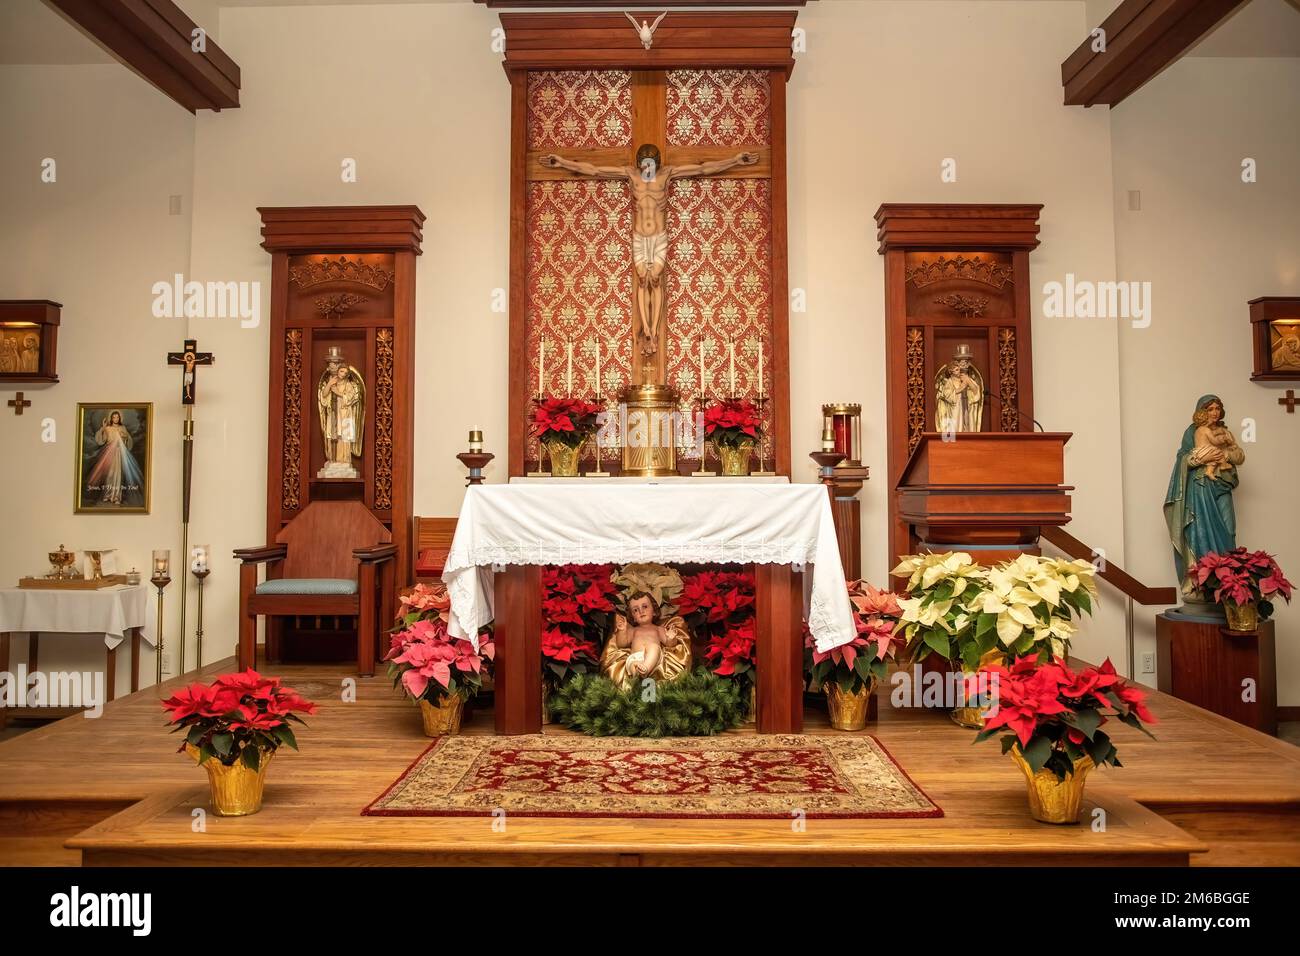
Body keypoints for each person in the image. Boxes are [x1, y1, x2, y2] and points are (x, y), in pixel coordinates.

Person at [1164, 394, 1245, 596]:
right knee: (1200, 529)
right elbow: (1183, 458)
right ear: (1202, 412)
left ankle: (1230, 583)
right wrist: (1197, 458)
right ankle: (1204, 584)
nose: (1214, 413)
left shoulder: (1224, 432)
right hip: (1201, 486)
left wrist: (1224, 454)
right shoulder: (1193, 432)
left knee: (1228, 528)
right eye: (1210, 409)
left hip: (1222, 484)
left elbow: (1238, 455)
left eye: (1217, 408)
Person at [85, 410, 144, 506]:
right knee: (109, 474)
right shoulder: (108, 428)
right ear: (111, 418)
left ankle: (116, 497)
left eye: (117, 417)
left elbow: (128, 441)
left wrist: (124, 437)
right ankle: (108, 495)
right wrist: (103, 429)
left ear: (119, 418)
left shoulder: (123, 428)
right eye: (114, 417)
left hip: (119, 453)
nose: (116, 419)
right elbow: (101, 441)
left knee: (118, 475)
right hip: (109, 453)